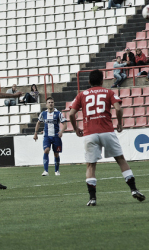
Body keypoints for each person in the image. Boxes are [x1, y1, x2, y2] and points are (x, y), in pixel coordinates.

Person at [69, 69, 145, 206]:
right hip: (107, 131)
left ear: (89, 82)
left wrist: (76, 128)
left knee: (91, 165)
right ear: (102, 81)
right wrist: (120, 123)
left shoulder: (82, 95)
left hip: (89, 133)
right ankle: (133, 189)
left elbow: (71, 114)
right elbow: (119, 109)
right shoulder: (109, 92)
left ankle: (92, 198)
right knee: (120, 159)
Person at [33, 97, 67, 176]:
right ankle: (45, 171)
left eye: (52, 102)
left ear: (53, 104)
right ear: (46, 104)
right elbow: (38, 123)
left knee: (56, 154)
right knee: (46, 150)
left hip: (56, 136)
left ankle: (57, 171)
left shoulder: (58, 113)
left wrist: (61, 132)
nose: (51, 104)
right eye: (49, 102)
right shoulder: (43, 113)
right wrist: (35, 133)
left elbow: (65, 124)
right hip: (47, 136)